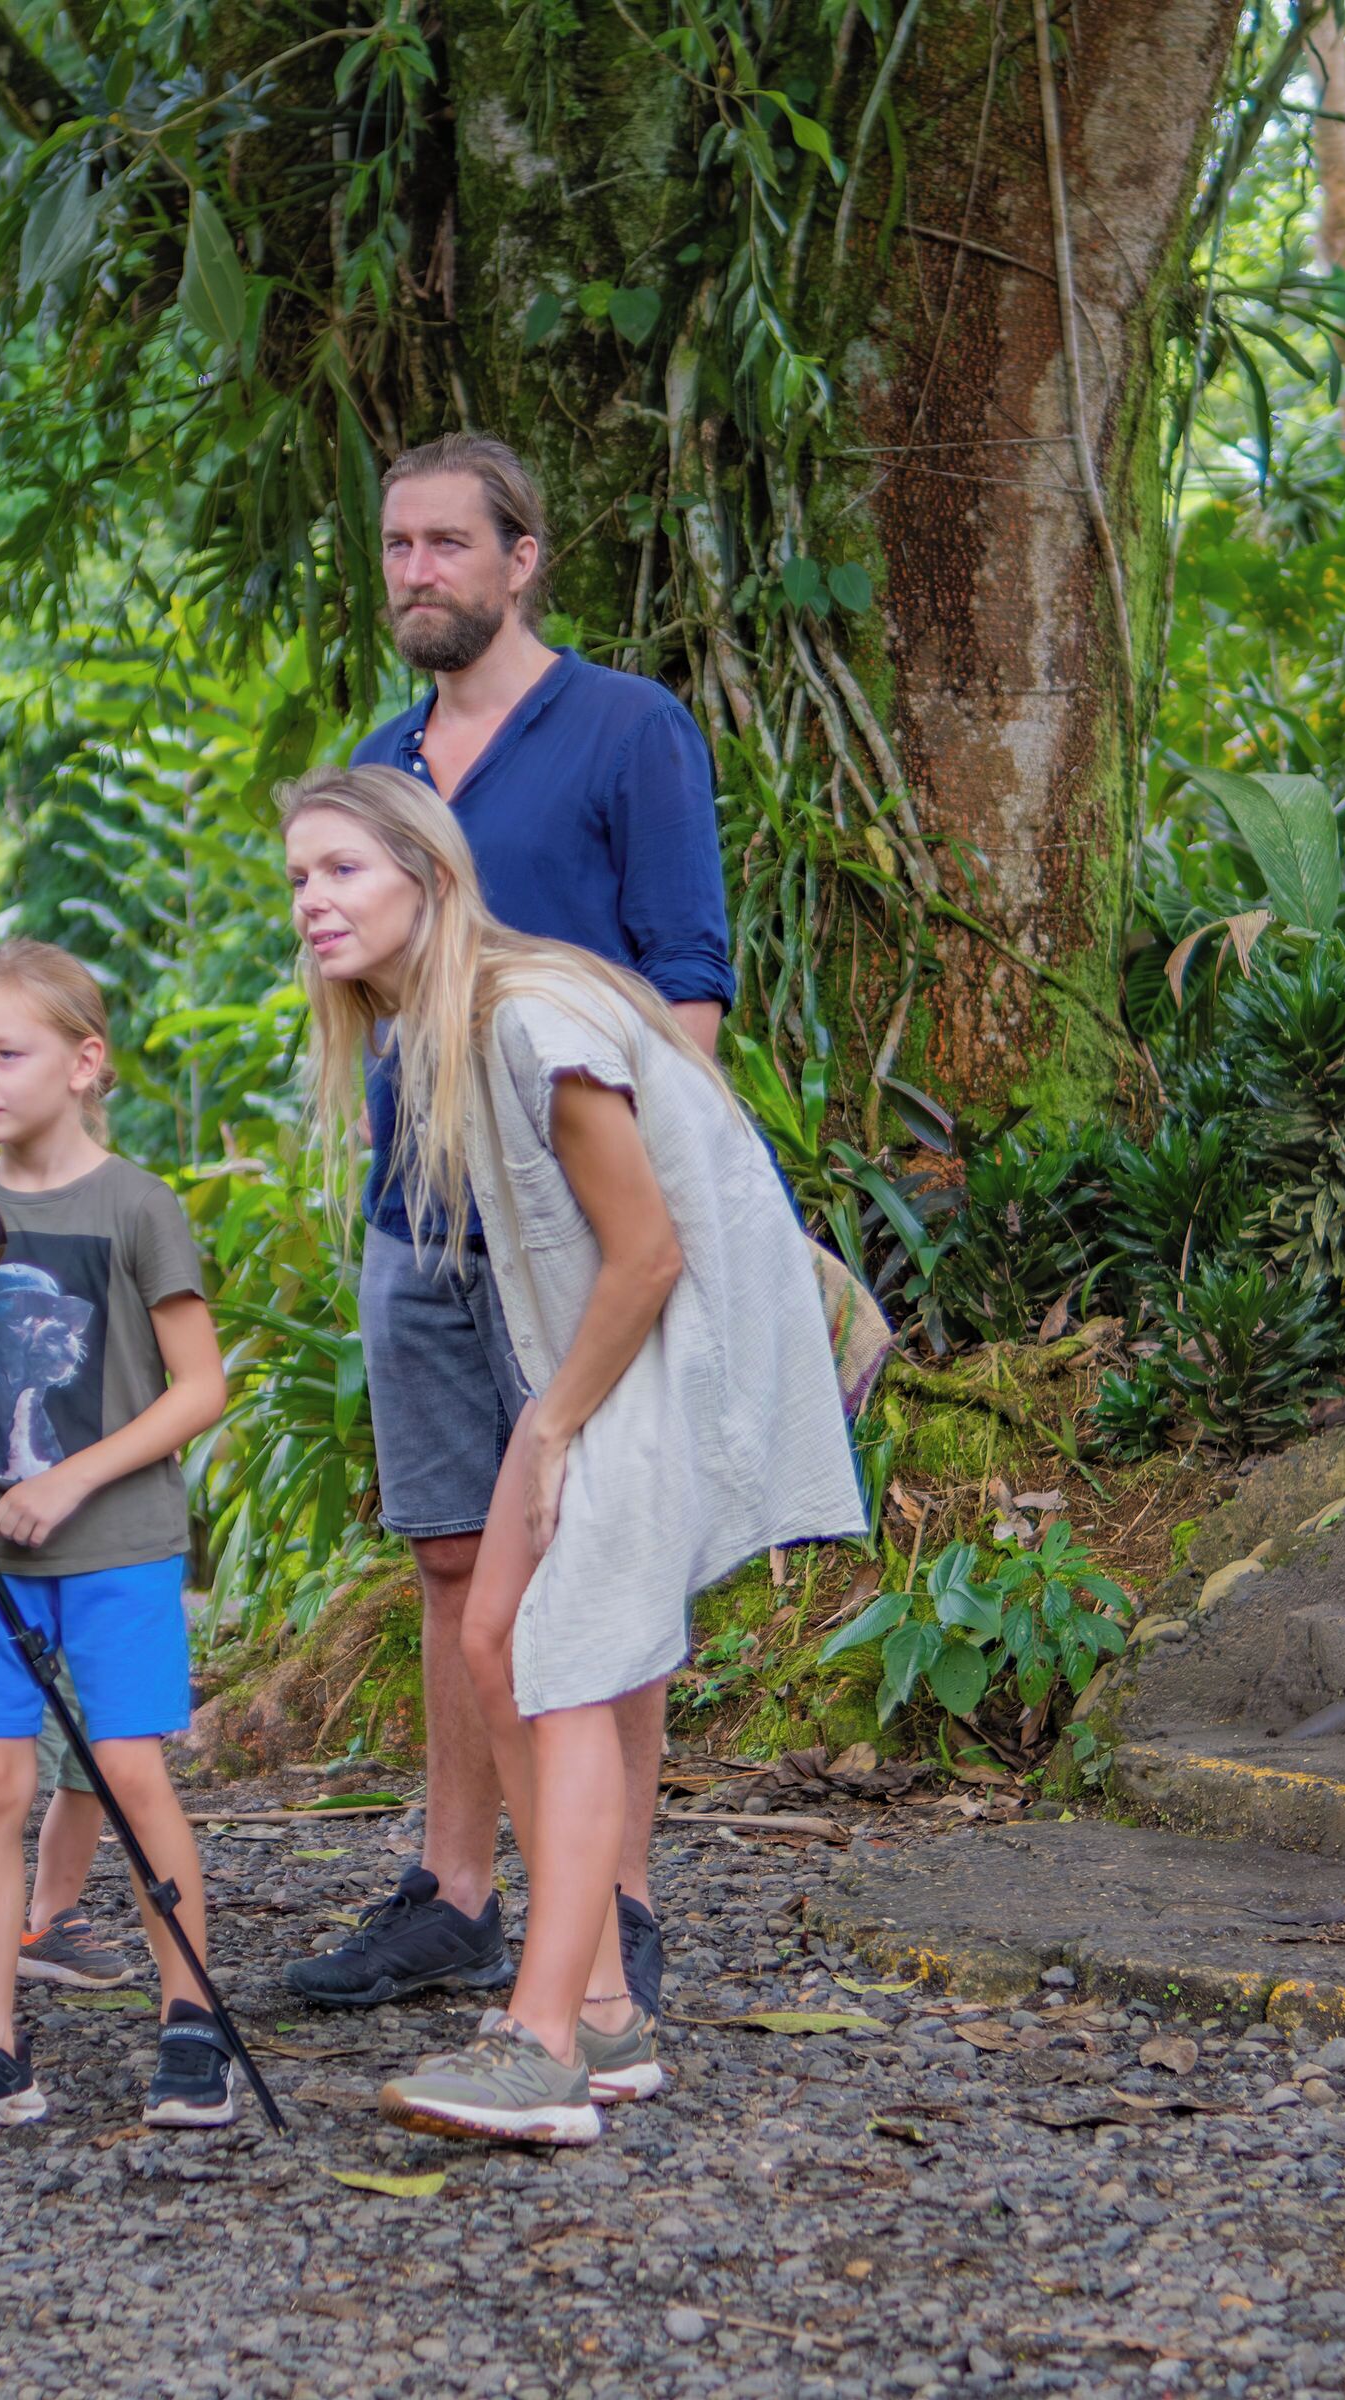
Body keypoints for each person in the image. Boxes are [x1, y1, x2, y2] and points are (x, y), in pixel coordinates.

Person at [279, 765, 864, 2142]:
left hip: (674, 1336)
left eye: (344, 870)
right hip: (603, 1341)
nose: (312, 900)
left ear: (430, 875)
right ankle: (603, 2011)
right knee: (493, 1637)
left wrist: (548, 1426)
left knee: (567, 1658)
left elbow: (649, 1253)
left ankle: (541, 2048)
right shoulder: (434, 1031)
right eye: (299, 877)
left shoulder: (526, 1015)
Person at [285, 433, 733, 2024]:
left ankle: (616, 1903)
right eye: (396, 546)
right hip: (415, 1217)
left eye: (448, 544)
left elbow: (686, 988)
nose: (417, 572)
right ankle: (456, 1896)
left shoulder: (627, 727)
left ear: (522, 558)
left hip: (575, 1221)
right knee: (452, 1554)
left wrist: (648, 1217)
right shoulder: (382, 758)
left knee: (600, 1550)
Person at [0, 942, 232, 2134]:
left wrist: (73, 1478)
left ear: (85, 1064)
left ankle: (190, 2019)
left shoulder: (135, 1205)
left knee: (129, 1771)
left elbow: (201, 1387)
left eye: (7, 1053)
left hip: (118, 1541)